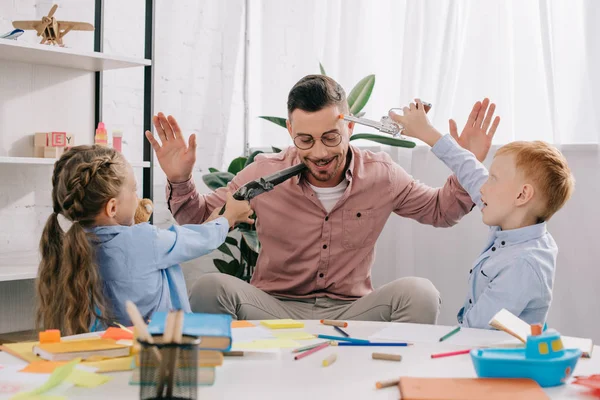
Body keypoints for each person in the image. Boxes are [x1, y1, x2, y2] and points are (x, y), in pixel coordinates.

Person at [145, 74, 499, 323]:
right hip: (274, 307)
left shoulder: (382, 174)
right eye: (305, 140)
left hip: (351, 313)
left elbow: (442, 210)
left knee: (420, 294)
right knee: (210, 287)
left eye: (330, 137)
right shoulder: (262, 172)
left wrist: (465, 162)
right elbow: (198, 219)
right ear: (290, 131)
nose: (318, 152)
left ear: (350, 127)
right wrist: (179, 179)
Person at [391, 99, 574, 328]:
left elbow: (475, 332)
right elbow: (468, 168)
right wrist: (427, 133)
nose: (482, 188)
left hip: (495, 357)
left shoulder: (523, 264)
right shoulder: (514, 221)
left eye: (493, 179)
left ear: (521, 195)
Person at [36, 145, 253, 335]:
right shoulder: (143, 239)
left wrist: (213, 222)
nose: (138, 199)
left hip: (105, 350)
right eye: (133, 190)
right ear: (112, 207)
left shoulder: (69, 244)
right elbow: (199, 240)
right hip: (155, 347)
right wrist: (228, 218)